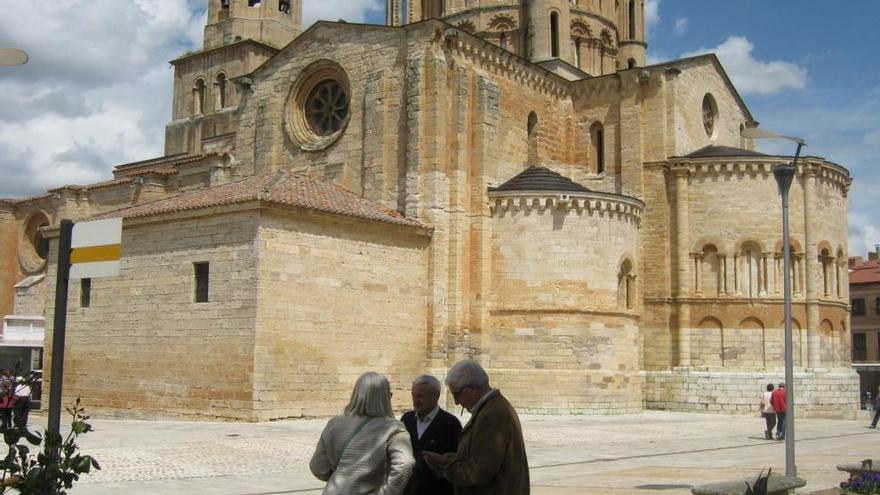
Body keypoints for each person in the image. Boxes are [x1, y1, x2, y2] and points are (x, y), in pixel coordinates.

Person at [423, 360, 530, 495]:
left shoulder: (493, 414)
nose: (456, 402)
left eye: (456, 395)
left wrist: (443, 464)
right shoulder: (490, 409)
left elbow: (476, 473)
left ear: (472, 389)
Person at [310, 372, 414, 495]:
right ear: (385, 397)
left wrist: (343, 476)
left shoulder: (334, 424)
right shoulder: (393, 428)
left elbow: (318, 467)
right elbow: (405, 464)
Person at [401, 375, 462, 495]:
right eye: (413, 395)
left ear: (436, 396)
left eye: (420, 396)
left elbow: (455, 462)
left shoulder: (450, 424)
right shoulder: (407, 420)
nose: (415, 400)